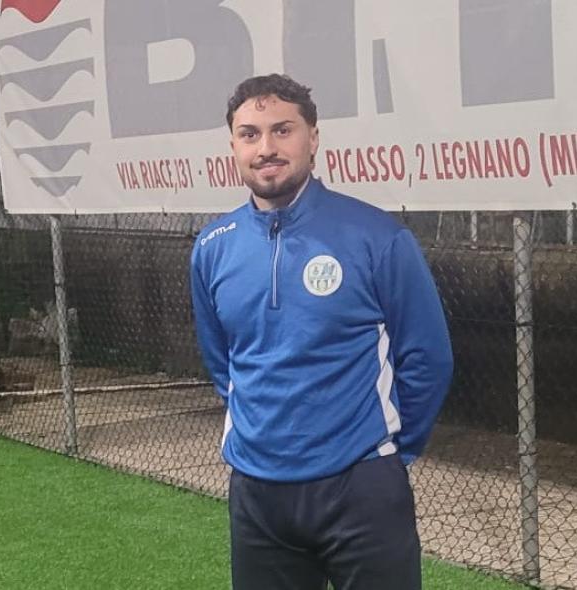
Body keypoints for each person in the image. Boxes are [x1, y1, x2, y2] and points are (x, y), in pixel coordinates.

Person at [190, 74, 453, 590]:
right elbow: (223, 361)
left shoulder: (377, 237)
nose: (266, 148)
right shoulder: (212, 246)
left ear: (313, 138)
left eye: (282, 130)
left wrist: (385, 453)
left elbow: (429, 358)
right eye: (249, 135)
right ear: (233, 147)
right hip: (258, 495)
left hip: (362, 486)